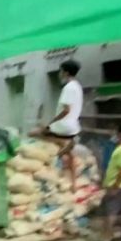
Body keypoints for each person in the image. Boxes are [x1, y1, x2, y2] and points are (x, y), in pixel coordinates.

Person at [30, 60, 83, 188]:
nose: (59, 74)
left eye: (61, 71)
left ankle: (58, 149)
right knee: (70, 153)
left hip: (64, 126)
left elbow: (66, 110)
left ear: (65, 72)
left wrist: (50, 124)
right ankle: (74, 183)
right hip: (73, 127)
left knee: (33, 133)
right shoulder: (77, 86)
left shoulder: (68, 87)